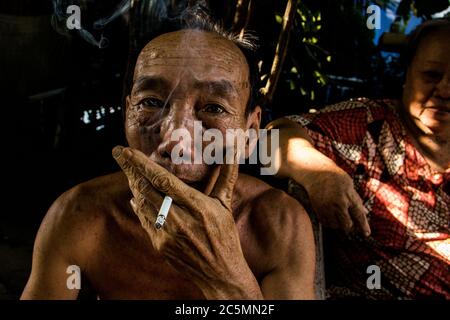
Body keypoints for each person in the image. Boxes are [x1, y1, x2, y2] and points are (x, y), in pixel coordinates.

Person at [21, 15, 316, 300]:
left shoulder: (278, 225)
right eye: (151, 102)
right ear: (127, 114)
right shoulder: (80, 214)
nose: (175, 137)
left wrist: (226, 277)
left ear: (250, 133)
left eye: (213, 108)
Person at [268, 18, 450, 299]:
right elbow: (271, 140)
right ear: (406, 74)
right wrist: (319, 173)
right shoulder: (367, 125)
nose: (446, 90)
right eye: (431, 74)